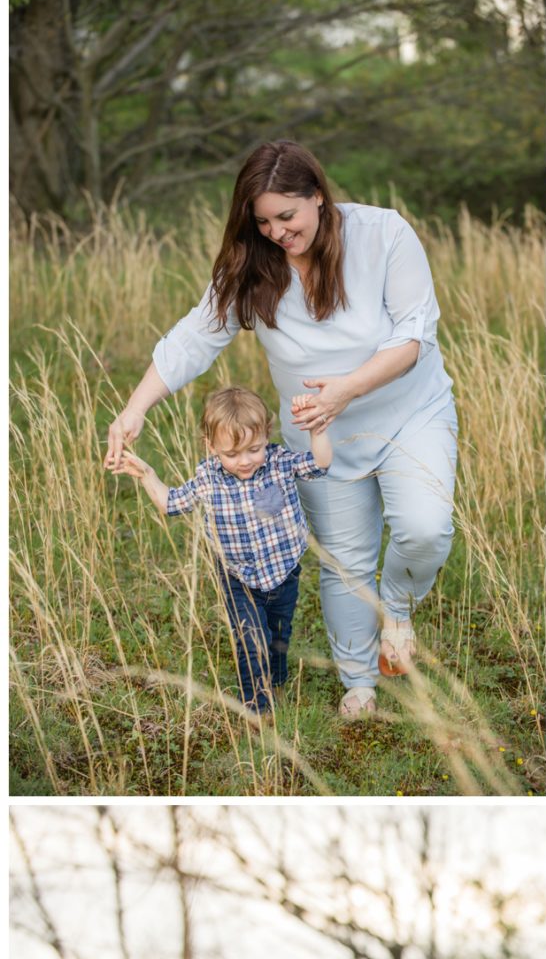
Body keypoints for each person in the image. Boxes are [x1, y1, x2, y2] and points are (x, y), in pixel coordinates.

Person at [104, 141, 457, 721]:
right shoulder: (252, 263)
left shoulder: (383, 235)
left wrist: (346, 389)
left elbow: (414, 337)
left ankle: (396, 607)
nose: (276, 232)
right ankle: (359, 683)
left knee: (425, 528)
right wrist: (135, 407)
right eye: (263, 221)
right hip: (319, 436)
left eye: (286, 216)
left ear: (317, 195)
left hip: (410, 413)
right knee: (345, 561)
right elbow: (195, 337)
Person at [112, 385, 331, 721]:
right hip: (237, 577)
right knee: (251, 639)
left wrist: (317, 430)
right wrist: (147, 475)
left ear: (266, 435)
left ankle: (276, 679)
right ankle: (257, 706)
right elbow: (171, 503)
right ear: (211, 446)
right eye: (232, 454)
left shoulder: (279, 462)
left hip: (283, 571)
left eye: (254, 449)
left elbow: (320, 463)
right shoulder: (208, 478)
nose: (244, 461)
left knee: (278, 633)